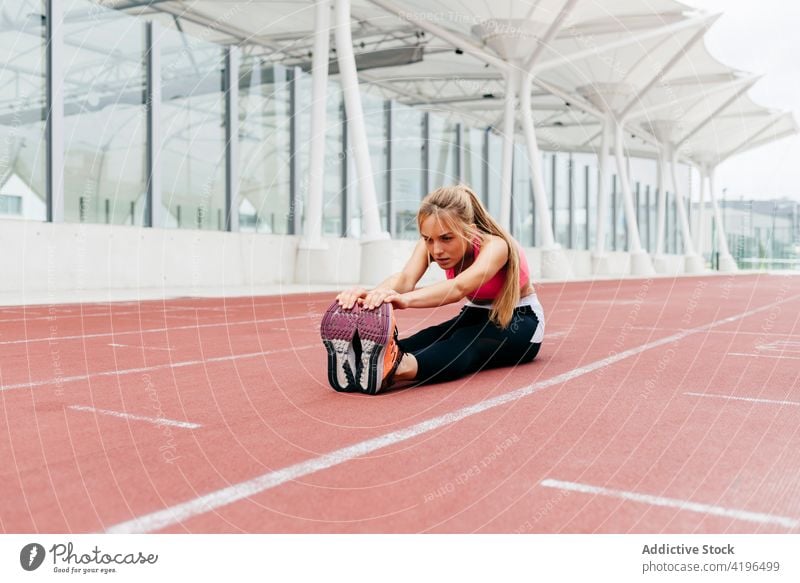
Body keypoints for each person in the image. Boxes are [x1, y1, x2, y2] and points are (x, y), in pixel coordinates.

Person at [320, 184, 544, 395]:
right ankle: (360, 359)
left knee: (467, 340)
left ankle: (397, 369)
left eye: (447, 239)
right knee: (428, 337)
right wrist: (368, 297)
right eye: (428, 240)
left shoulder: (495, 246)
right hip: (476, 313)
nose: (437, 250)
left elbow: (459, 287)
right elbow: (406, 278)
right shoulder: (433, 241)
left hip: (521, 320)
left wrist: (404, 300)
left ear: (470, 232)